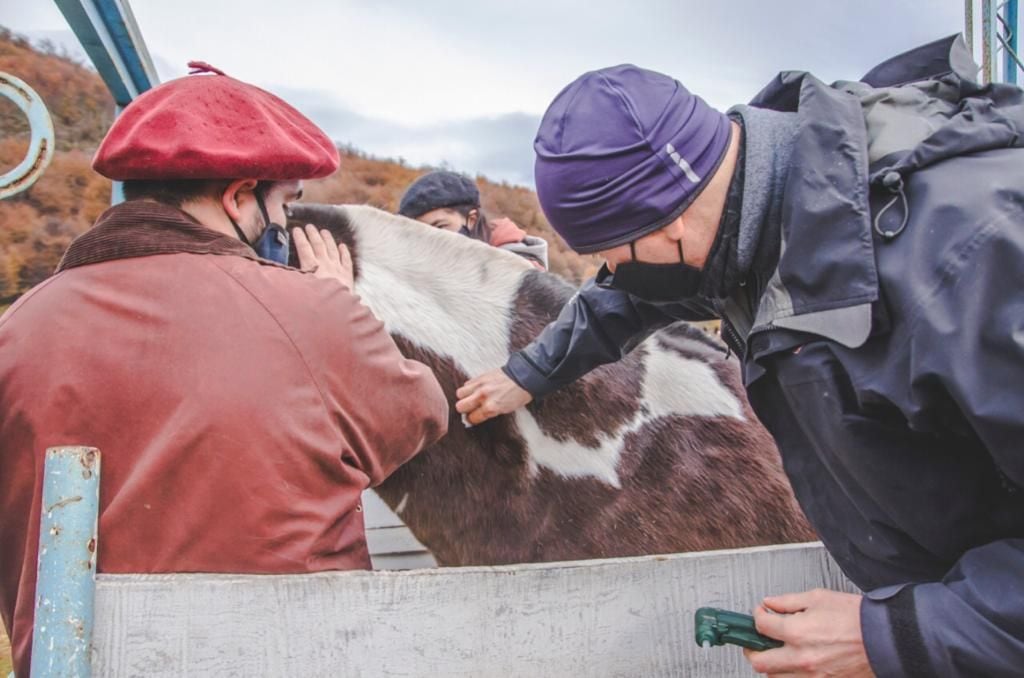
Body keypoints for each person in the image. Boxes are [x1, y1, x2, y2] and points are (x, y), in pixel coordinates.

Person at [455, 36, 1024, 677]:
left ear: (667, 225)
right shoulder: (755, 212)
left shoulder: (973, 261)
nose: (607, 273)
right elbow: (626, 298)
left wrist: (899, 635)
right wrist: (525, 374)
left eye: (609, 254)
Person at [0, 62, 448, 676]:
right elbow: (418, 417)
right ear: (239, 196)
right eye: (284, 203)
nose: (287, 225)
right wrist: (338, 305)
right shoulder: (312, 312)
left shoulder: (16, 328)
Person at [398, 170, 549, 269]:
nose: (431, 238)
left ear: (471, 219)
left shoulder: (518, 267)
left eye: (440, 227)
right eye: (420, 233)